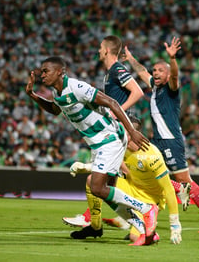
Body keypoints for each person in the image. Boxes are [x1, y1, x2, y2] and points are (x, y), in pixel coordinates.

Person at [26, 56, 158, 245]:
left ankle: (146, 209)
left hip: (109, 138)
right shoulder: (57, 92)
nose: (42, 74)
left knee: (96, 187)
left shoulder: (77, 87)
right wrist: (32, 94)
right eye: (42, 71)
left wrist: (131, 131)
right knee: (105, 191)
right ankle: (145, 229)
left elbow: (112, 103)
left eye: (46, 71)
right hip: (97, 142)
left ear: (60, 72)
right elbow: (55, 110)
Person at [61, 35, 154, 240]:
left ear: (108, 50)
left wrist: (115, 113)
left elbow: (137, 92)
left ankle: (142, 212)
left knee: (97, 182)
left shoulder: (118, 69)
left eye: (101, 47)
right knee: (102, 185)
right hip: (114, 128)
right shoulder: (109, 73)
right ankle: (108, 225)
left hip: (117, 130)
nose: (98, 50)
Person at [124, 37, 199, 232]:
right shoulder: (155, 87)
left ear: (167, 75)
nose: (156, 73)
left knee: (185, 180)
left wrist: (173, 59)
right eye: (155, 70)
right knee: (150, 174)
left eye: (160, 71)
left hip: (171, 141)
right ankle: (146, 214)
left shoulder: (171, 89)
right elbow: (142, 71)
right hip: (157, 141)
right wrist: (131, 58)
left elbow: (175, 77)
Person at [65, 116, 182, 244]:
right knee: (93, 180)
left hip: (150, 198)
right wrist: (85, 167)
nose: (117, 132)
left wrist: (174, 225)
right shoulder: (119, 145)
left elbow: (168, 189)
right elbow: (106, 167)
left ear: (134, 133)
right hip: (129, 187)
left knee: (134, 238)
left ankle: (149, 230)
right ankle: (95, 226)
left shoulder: (151, 155)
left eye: (122, 129)